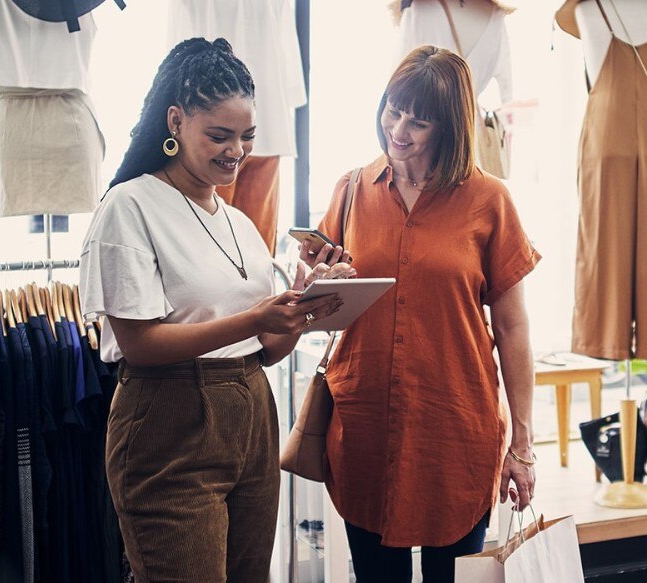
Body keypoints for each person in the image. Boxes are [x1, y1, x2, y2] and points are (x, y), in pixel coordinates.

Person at [79, 38, 349, 582]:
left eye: (247, 137)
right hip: (169, 423)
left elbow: (265, 350)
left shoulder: (241, 224)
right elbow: (139, 344)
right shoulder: (130, 206)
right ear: (175, 122)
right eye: (219, 136)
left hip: (252, 417)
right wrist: (256, 317)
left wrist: (301, 308)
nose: (237, 151)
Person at [301, 45, 540, 583]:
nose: (399, 128)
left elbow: (513, 328)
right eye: (393, 108)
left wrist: (522, 446)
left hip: (454, 430)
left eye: (420, 119)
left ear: (450, 127)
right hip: (365, 423)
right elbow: (317, 308)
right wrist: (321, 283)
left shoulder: (489, 201)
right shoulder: (352, 190)